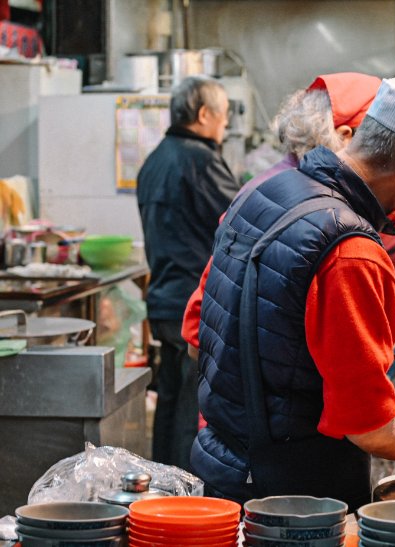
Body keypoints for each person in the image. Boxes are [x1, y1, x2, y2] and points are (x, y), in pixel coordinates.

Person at [191, 75, 395, 508]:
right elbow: (367, 423)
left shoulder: (265, 192)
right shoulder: (351, 250)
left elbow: (200, 335)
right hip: (292, 498)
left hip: (221, 462)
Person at [181, 73, 395, 358]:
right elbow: (210, 334)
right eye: (384, 143)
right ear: (345, 137)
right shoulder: (306, 209)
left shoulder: (324, 196)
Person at [136, 76, 241, 471]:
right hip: (189, 305)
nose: (225, 125)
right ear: (203, 115)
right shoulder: (200, 159)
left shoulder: (155, 158)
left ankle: (158, 481)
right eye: (224, 116)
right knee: (188, 407)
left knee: (169, 398)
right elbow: (242, 216)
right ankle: (181, 492)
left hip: (162, 300)